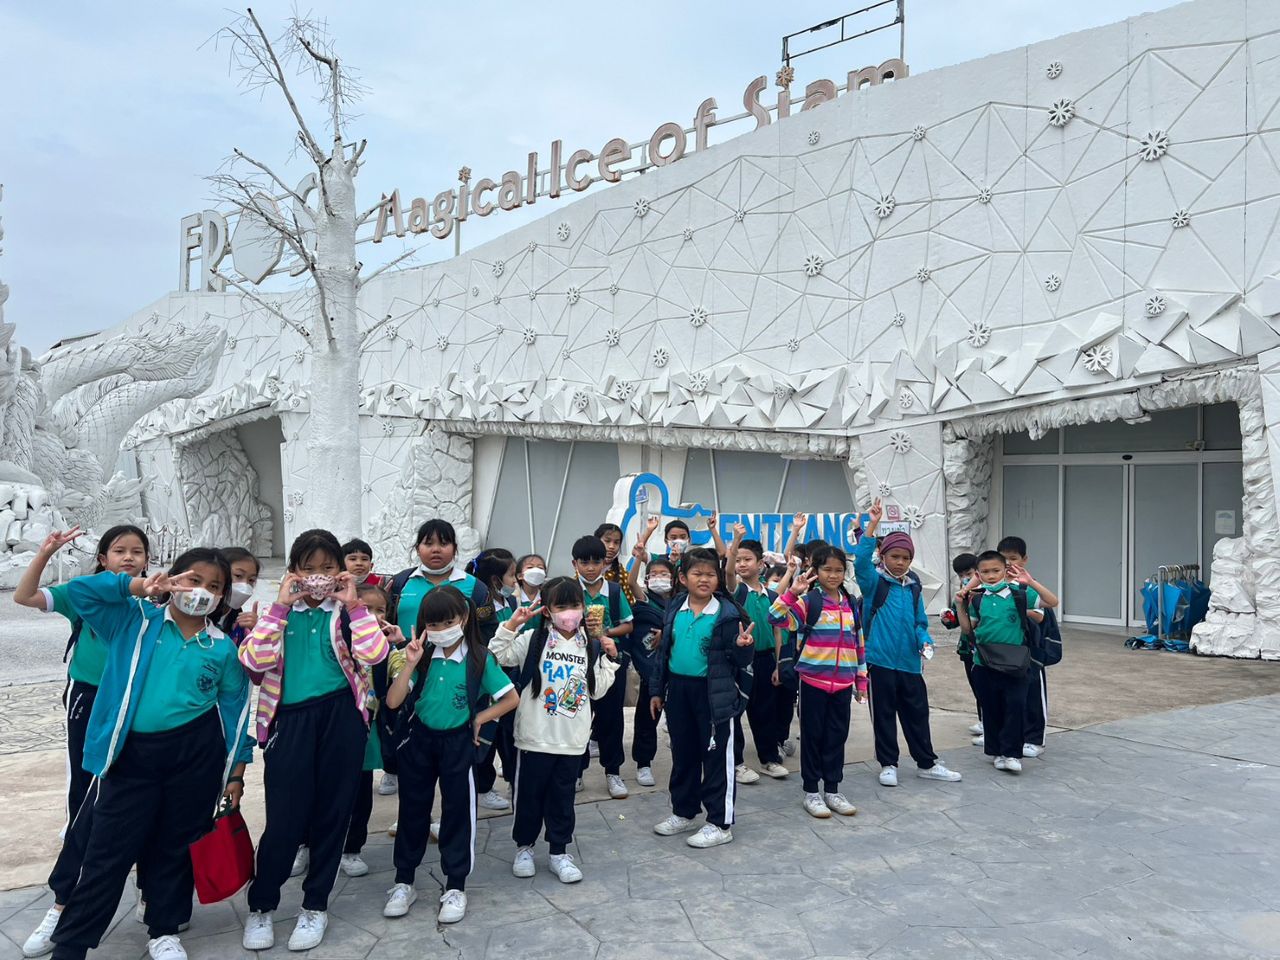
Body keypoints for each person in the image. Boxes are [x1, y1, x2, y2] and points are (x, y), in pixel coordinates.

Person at [27, 550, 252, 960]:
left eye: (214, 586)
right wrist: (137, 586)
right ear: (174, 579)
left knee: (176, 845)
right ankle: (72, 944)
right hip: (131, 756)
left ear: (223, 597)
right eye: (193, 579)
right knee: (106, 851)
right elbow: (81, 592)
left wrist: (235, 774)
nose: (201, 592)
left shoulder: (221, 648)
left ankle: (164, 930)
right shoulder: (135, 620)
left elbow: (236, 713)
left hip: (194, 755)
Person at [240, 530, 389, 953]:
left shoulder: (345, 613)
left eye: (328, 567)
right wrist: (279, 607)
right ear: (293, 571)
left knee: (332, 814)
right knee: (284, 819)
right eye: (309, 568)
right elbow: (253, 661)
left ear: (340, 570)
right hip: (290, 720)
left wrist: (354, 604)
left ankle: (315, 905)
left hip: (341, 717)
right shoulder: (280, 613)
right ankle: (262, 905)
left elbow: (375, 654)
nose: (319, 576)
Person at [382, 586, 519, 924]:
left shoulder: (480, 659)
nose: (441, 629)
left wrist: (481, 718)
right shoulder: (422, 655)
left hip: (458, 743)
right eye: (433, 623)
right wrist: (409, 663)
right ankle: (404, 881)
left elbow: (510, 698)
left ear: (464, 617)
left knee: (458, 812)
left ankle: (456, 885)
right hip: (419, 741)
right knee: (412, 810)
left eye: (448, 621)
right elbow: (394, 701)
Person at [14, 525, 150, 827]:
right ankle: (77, 834)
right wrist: (44, 555)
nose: (128, 557)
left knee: (126, 767)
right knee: (83, 768)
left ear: (147, 559)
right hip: (88, 692)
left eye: (137, 552)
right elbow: (24, 596)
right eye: (119, 551)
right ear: (102, 559)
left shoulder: (152, 598)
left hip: (134, 694)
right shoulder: (83, 592)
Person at [489, 578, 620, 882]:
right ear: (547, 610)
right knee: (528, 798)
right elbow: (497, 655)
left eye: (575, 605)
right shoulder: (532, 639)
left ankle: (558, 852)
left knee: (562, 800)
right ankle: (524, 848)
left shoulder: (590, 644)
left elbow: (597, 690)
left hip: (572, 741)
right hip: (534, 738)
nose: (569, 612)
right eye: (561, 606)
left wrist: (610, 659)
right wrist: (512, 625)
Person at [387, 520, 502, 809]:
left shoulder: (474, 587)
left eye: (443, 543)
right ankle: (410, 808)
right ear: (417, 548)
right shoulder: (400, 583)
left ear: (455, 548)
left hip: (459, 673)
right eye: (428, 543)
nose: (436, 549)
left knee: (461, 751)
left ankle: (474, 795)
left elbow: (489, 628)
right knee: (411, 744)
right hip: (413, 669)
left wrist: (472, 660)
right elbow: (386, 621)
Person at [649, 548, 755, 848]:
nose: (704, 579)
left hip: (713, 694)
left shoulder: (727, 613)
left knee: (716, 759)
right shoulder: (675, 606)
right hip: (678, 692)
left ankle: (719, 823)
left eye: (711, 574)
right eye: (697, 574)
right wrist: (657, 691)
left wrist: (744, 645)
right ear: (683, 578)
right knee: (683, 755)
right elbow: (663, 652)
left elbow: (740, 660)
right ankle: (684, 812)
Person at [856, 502, 962, 791]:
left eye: (906, 557)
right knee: (884, 716)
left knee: (917, 714)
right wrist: (871, 526)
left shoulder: (913, 587)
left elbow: (919, 622)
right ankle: (888, 764)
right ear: (883, 556)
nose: (901, 562)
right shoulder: (874, 583)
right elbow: (860, 563)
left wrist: (924, 639)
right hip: (879, 661)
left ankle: (926, 763)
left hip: (910, 664)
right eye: (895, 556)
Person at [770, 545, 866, 818]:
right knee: (813, 737)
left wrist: (861, 680)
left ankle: (832, 789)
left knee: (837, 737)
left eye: (839, 570)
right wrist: (793, 592)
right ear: (816, 570)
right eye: (827, 569)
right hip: (812, 682)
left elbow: (858, 643)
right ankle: (812, 792)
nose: (833, 575)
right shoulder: (808, 602)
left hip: (843, 685)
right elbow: (774, 617)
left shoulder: (851, 604)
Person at [955, 550, 1055, 774]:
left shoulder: (1019, 594)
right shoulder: (978, 598)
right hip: (984, 663)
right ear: (978, 575)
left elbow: (1052, 601)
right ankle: (997, 752)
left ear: (1005, 570)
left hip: (1015, 663)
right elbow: (967, 629)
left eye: (996, 570)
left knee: (1015, 707)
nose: (991, 576)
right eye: (985, 572)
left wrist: (1030, 582)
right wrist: (960, 604)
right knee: (991, 709)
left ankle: (1011, 754)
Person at [334, 583, 406, 879]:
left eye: (381, 610)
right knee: (323, 791)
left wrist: (400, 645)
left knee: (360, 793)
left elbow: (405, 674)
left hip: (365, 733)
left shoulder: (386, 650)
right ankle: (307, 843)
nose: (375, 616)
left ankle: (352, 848)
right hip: (332, 728)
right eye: (367, 609)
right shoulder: (336, 643)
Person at [571, 534, 634, 798]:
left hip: (610, 661)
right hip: (577, 661)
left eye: (596, 562)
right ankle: (576, 771)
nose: (590, 568)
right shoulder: (570, 591)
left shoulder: (614, 591)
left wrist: (606, 631)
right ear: (574, 564)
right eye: (584, 562)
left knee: (611, 718)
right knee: (577, 716)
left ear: (604, 564)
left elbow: (629, 624)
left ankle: (613, 772)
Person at [724, 529, 788, 783]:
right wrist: (735, 542)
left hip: (766, 659)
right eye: (738, 559)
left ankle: (768, 759)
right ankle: (737, 763)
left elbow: (778, 631)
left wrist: (778, 665)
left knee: (765, 711)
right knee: (736, 712)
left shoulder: (772, 596)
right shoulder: (736, 591)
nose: (741, 564)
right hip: (741, 661)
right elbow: (729, 573)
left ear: (761, 564)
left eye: (747, 559)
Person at [997, 536, 1061, 759]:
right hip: (1005, 649)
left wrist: (1014, 609)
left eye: (1013, 558)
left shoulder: (1027, 586)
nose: (1008, 563)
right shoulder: (996, 585)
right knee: (1008, 695)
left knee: (1033, 693)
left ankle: (1035, 739)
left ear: (1024, 560)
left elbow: (1041, 614)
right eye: (1004, 559)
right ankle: (1009, 735)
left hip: (1030, 650)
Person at [468, 548, 521, 808]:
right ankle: (483, 787)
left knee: (509, 734)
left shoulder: (511, 603)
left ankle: (514, 780)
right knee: (487, 733)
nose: (515, 581)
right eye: (511, 575)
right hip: (488, 678)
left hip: (510, 674)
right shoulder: (481, 607)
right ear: (495, 579)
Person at [626, 553, 677, 787]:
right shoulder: (645, 599)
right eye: (654, 574)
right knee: (647, 718)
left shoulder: (681, 602)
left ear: (674, 578)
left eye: (664, 574)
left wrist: (667, 634)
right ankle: (643, 763)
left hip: (677, 668)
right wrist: (638, 557)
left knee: (680, 718)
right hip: (652, 671)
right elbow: (630, 582)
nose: (659, 578)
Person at [944, 552, 984, 743]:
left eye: (968, 573)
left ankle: (992, 726)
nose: (965, 578)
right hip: (967, 648)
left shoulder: (986, 592)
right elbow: (956, 620)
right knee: (977, 687)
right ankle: (984, 720)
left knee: (986, 688)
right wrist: (948, 618)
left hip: (985, 649)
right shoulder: (962, 593)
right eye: (961, 575)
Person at [217, 547, 261, 647]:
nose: (245, 585)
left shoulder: (240, 623)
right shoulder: (197, 617)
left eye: (251, 580)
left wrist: (256, 631)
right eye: (238, 575)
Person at [595, 522, 637, 605]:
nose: (611, 546)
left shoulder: (622, 574)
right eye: (607, 541)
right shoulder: (585, 568)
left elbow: (630, 605)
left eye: (616, 543)